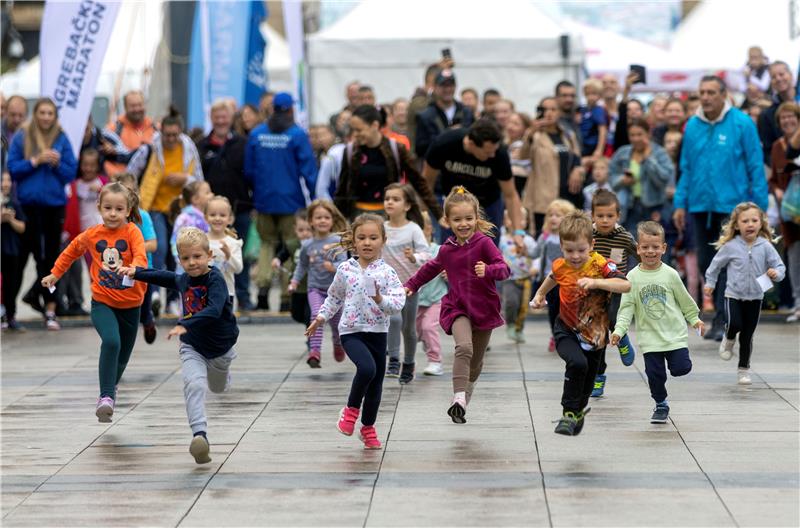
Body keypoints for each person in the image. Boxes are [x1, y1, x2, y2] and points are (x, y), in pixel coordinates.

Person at [121, 227, 239, 464]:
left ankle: (223, 375)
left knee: (217, 388)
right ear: (179, 259)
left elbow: (215, 309)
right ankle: (200, 437)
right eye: (185, 258)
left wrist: (187, 323)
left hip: (220, 347)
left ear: (209, 256)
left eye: (197, 257)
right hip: (192, 346)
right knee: (193, 384)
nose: (192, 263)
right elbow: (165, 277)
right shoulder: (184, 278)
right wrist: (137, 273)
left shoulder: (215, 279)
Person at [41, 183, 147, 422]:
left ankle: (111, 387)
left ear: (128, 210)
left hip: (132, 305)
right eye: (107, 207)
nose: (112, 213)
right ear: (99, 207)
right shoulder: (92, 234)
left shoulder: (132, 233)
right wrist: (55, 273)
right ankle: (106, 397)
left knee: (122, 357)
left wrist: (135, 268)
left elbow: (141, 254)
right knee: (111, 342)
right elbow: (71, 251)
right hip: (103, 302)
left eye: (118, 209)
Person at [405, 186, 511, 424]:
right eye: (457, 219)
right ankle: (458, 398)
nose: (463, 224)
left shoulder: (484, 244)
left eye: (468, 218)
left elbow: (505, 269)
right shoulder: (446, 250)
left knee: (476, 363)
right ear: (447, 221)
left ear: (476, 218)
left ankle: (464, 398)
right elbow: (430, 268)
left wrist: (489, 270)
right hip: (458, 307)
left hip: (484, 309)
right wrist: (411, 285)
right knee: (464, 348)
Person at [673, 75, 767, 342]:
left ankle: (723, 321)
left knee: (730, 264)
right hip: (700, 205)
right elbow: (686, 167)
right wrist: (680, 202)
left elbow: (755, 166)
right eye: (702, 92)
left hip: (733, 208)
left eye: (711, 92)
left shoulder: (742, 123)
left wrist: (758, 207)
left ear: (723, 94)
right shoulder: (692, 125)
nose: (705, 97)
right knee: (706, 263)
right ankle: (723, 316)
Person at [306, 214, 405, 450]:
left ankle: (368, 428)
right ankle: (350, 411)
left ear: (383, 240)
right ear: (353, 241)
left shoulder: (387, 273)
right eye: (361, 238)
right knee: (367, 368)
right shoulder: (345, 269)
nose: (367, 242)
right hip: (351, 331)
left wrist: (380, 298)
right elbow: (334, 297)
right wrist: (320, 317)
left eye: (373, 237)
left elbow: (397, 303)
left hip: (378, 332)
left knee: (376, 383)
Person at [530, 211, 630, 436]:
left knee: (588, 379)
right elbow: (553, 277)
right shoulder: (561, 265)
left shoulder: (601, 265)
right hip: (566, 328)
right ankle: (567, 414)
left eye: (581, 250)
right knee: (577, 364)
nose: (575, 256)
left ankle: (578, 411)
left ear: (592, 245)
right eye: (569, 250)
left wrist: (596, 282)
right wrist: (539, 295)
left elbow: (625, 285)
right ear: (561, 246)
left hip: (595, 334)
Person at [611, 221, 703, 424]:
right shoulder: (632, 277)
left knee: (681, 369)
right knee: (654, 375)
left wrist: (694, 319)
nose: (650, 251)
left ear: (663, 248)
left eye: (655, 247)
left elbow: (684, 299)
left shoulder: (670, 274)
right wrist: (619, 330)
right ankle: (661, 404)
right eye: (645, 247)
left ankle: (677, 365)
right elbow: (626, 308)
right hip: (649, 337)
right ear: (638, 249)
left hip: (674, 335)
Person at [7, 97, 78, 330]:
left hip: (54, 206)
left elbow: (71, 173)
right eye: (42, 113)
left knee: (50, 259)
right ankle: (11, 312)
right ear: (35, 114)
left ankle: (50, 309)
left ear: (55, 116)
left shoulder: (61, 137)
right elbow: (13, 169)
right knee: (26, 258)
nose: (46, 117)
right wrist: (35, 161)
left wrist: (57, 163)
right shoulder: (23, 136)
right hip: (28, 207)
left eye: (50, 113)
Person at [245, 92, 317, 312]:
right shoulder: (296, 135)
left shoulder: (257, 134)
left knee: (266, 245)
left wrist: (255, 194)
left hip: (263, 200)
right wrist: (315, 200)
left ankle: (263, 295)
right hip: (291, 201)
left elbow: (248, 170)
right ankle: (287, 296)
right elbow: (309, 170)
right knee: (290, 245)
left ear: (272, 109)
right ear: (290, 110)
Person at [128, 109, 204, 316]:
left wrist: (183, 179)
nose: (170, 139)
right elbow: (131, 171)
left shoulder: (188, 148)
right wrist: (132, 196)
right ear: (161, 133)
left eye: (174, 135)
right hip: (155, 207)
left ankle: (172, 298)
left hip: (179, 209)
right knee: (158, 248)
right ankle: (153, 293)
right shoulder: (150, 149)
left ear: (180, 132)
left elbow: (197, 178)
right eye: (167, 135)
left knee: (176, 254)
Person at [704, 203, 785, 385]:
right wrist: (710, 284)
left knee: (748, 335)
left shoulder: (765, 246)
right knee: (734, 323)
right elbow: (714, 267)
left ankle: (743, 370)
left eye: (754, 220)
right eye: (745, 221)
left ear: (761, 223)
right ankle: (729, 338)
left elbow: (780, 267)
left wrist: (776, 273)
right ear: (736, 225)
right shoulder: (731, 246)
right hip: (733, 294)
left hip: (756, 297)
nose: (750, 224)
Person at [423, 118, 526, 246]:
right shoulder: (444, 144)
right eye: (488, 152)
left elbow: (510, 195)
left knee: (488, 249)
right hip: (453, 203)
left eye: (494, 150)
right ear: (471, 144)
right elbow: (426, 183)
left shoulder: (499, 154)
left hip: (488, 204)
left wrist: (518, 232)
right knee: (450, 249)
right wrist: (426, 217)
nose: (492, 155)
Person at [335, 105, 440, 220]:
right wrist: (337, 222)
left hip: (390, 216)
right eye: (353, 130)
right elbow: (342, 189)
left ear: (374, 125)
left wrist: (438, 214)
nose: (355, 134)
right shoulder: (351, 151)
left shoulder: (395, 149)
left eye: (359, 130)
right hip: (358, 216)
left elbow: (418, 181)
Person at [196, 99, 254, 310]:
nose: (221, 120)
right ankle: (210, 296)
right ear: (211, 118)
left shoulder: (243, 143)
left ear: (231, 118)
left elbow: (252, 174)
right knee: (210, 253)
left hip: (240, 208)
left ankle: (244, 297)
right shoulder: (202, 145)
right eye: (217, 116)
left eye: (225, 116)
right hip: (211, 212)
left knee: (240, 253)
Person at [589, 189, 640, 397]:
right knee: (597, 338)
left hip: (617, 286)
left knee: (612, 320)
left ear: (618, 216)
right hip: (594, 291)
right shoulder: (588, 235)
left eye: (610, 216)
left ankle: (621, 337)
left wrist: (642, 275)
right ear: (592, 215)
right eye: (600, 216)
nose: (604, 220)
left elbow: (640, 254)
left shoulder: (624, 237)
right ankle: (598, 377)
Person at [289, 199, 348, 368]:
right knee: (317, 315)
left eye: (326, 217)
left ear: (332, 220)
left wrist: (333, 267)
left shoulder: (337, 241)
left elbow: (345, 265)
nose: (322, 220)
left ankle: (338, 343)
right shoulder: (308, 245)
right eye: (318, 217)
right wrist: (294, 281)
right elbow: (302, 265)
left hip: (335, 292)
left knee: (337, 324)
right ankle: (314, 352)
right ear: (311, 221)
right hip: (315, 289)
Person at [382, 183, 430, 382]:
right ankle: (393, 359)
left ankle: (409, 362)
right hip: (388, 287)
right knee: (394, 320)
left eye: (395, 199)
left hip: (410, 286)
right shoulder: (381, 228)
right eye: (387, 199)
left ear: (407, 206)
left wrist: (414, 258)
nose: (390, 202)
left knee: (408, 328)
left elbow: (426, 254)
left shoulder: (413, 229)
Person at [521, 97, 585, 230]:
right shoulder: (535, 135)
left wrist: (578, 170)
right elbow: (523, 155)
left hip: (568, 194)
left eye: (553, 109)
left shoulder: (567, 135)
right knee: (545, 235)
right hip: (544, 197)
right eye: (545, 109)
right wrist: (531, 131)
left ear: (559, 112)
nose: (549, 113)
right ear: (540, 112)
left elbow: (577, 157)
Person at [112, 172, 159, 344]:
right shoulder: (112, 219)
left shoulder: (143, 216)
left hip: (142, 271)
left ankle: (148, 321)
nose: (128, 197)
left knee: (143, 306)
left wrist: (133, 248)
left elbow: (153, 244)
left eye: (131, 192)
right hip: (119, 271)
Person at [610, 118, 675, 230]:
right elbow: (611, 176)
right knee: (631, 243)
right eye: (632, 135)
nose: (636, 139)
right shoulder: (622, 152)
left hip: (655, 207)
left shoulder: (660, 152)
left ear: (648, 133)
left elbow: (663, 180)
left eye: (640, 134)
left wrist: (649, 159)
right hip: (629, 207)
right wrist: (622, 180)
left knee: (652, 243)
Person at [532, 199, 576, 353]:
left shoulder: (570, 237)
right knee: (553, 310)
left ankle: (569, 335)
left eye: (558, 215)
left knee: (566, 308)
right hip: (549, 280)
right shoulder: (544, 237)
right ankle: (556, 334)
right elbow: (535, 253)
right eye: (550, 215)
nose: (553, 218)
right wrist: (523, 248)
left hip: (567, 281)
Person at [769, 102, 800, 322]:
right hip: (790, 213)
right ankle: (799, 304)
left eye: (792, 117)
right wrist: (778, 190)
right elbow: (773, 179)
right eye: (783, 118)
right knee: (795, 258)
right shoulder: (777, 147)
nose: (787, 121)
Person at [414, 69, 475, 160]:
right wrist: (448, 134)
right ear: (434, 87)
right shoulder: (426, 116)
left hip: (463, 167)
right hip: (437, 169)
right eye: (443, 85)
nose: (447, 89)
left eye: (451, 85)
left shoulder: (466, 113)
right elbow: (420, 149)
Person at [415, 211, 447, 376]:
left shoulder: (439, 250)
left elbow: (455, 270)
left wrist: (449, 274)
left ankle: (435, 361)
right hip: (417, 299)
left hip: (437, 297)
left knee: (428, 327)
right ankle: (427, 343)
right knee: (417, 332)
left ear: (429, 229)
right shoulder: (410, 254)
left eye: (422, 226)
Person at [500, 207, 537, 344]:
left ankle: (519, 329)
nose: (516, 221)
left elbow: (536, 256)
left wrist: (535, 267)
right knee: (511, 302)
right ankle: (510, 324)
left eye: (521, 218)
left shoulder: (528, 240)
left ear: (526, 222)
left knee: (523, 306)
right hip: (509, 278)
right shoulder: (502, 240)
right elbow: (495, 254)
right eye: (511, 217)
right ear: (505, 221)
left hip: (526, 278)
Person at [106, 90, 156, 175]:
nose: (137, 109)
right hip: (123, 183)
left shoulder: (155, 128)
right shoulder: (113, 129)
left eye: (140, 105)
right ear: (125, 107)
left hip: (150, 182)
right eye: (133, 106)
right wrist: (118, 177)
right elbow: (105, 159)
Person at [205, 195, 243, 305]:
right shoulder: (202, 240)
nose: (217, 218)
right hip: (205, 291)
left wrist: (228, 255)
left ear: (230, 219)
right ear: (206, 217)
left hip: (227, 292)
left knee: (224, 322)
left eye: (222, 215)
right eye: (212, 215)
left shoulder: (233, 243)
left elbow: (238, 268)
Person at [758, 61, 797, 166]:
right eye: (773, 77)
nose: (778, 79)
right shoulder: (767, 115)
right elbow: (768, 150)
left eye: (781, 74)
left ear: (791, 75)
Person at [1, 172, 26, 331]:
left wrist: (10, 220)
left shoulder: (14, 203)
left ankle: (11, 316)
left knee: (11, 284)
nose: (5, 183)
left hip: (11, 249)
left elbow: (22, 227)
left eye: (8, 180)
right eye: (2, 180)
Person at [170, 181, 212, 276]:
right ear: (196, 199)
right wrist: (182, 263)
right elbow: (175, 243)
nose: (212, 195)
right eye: (208, 193)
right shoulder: (184, 218)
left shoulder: (208, 218)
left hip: (204, 271)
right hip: (186, 273)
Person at [577, 79, 608, 161]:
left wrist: (599, 149)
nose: (591, 97)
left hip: (592, 146)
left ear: (600, 95)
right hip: (581, 145)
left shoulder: (598, 110)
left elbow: (602, 131)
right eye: (588, 94)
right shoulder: (582, 109)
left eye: (594, 94)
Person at [506, 111, 532, 196]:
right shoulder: (506, 144)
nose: (510, 127)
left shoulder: (520, 146)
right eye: (509, 122)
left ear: (526, 129)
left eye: (516, 124)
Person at [555, 81, 580, 148]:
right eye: (564, 95)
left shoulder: (581, 118)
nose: (569, 99)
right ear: (556, 97)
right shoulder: (552, 122)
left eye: (572, 96)